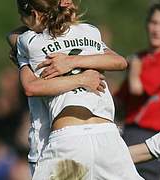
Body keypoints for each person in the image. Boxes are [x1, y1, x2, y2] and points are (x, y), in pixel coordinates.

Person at [10, 0, 143, 179]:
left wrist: (71, 64)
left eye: (22, 16)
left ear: (34, 14)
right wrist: (82, 77)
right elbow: (120, 62)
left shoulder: (29, 41)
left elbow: (13, 39)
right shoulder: (90, 31)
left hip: (69, 140)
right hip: (107, 136)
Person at [115, 1, 160, 179]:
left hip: (151, 136)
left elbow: (137, 88)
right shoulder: (142, 57)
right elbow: (120, 98)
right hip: (130, 130)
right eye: (153, 22)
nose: (157, 29)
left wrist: (134, 66)